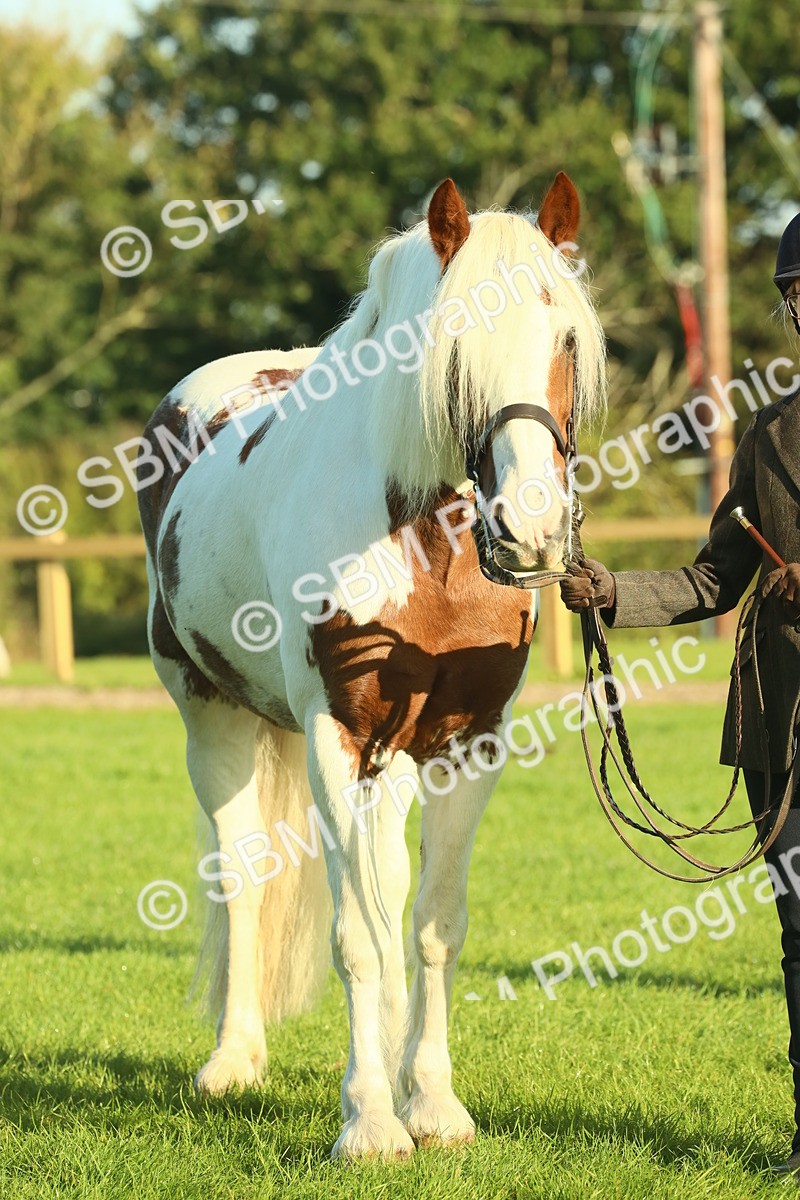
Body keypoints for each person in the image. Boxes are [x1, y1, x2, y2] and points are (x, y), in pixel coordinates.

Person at [561, 212, 800, 1174]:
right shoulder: (770, 439)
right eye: (797, 294)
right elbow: (713, 582)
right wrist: (614, 592)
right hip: (781, 736)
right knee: (798, 931)